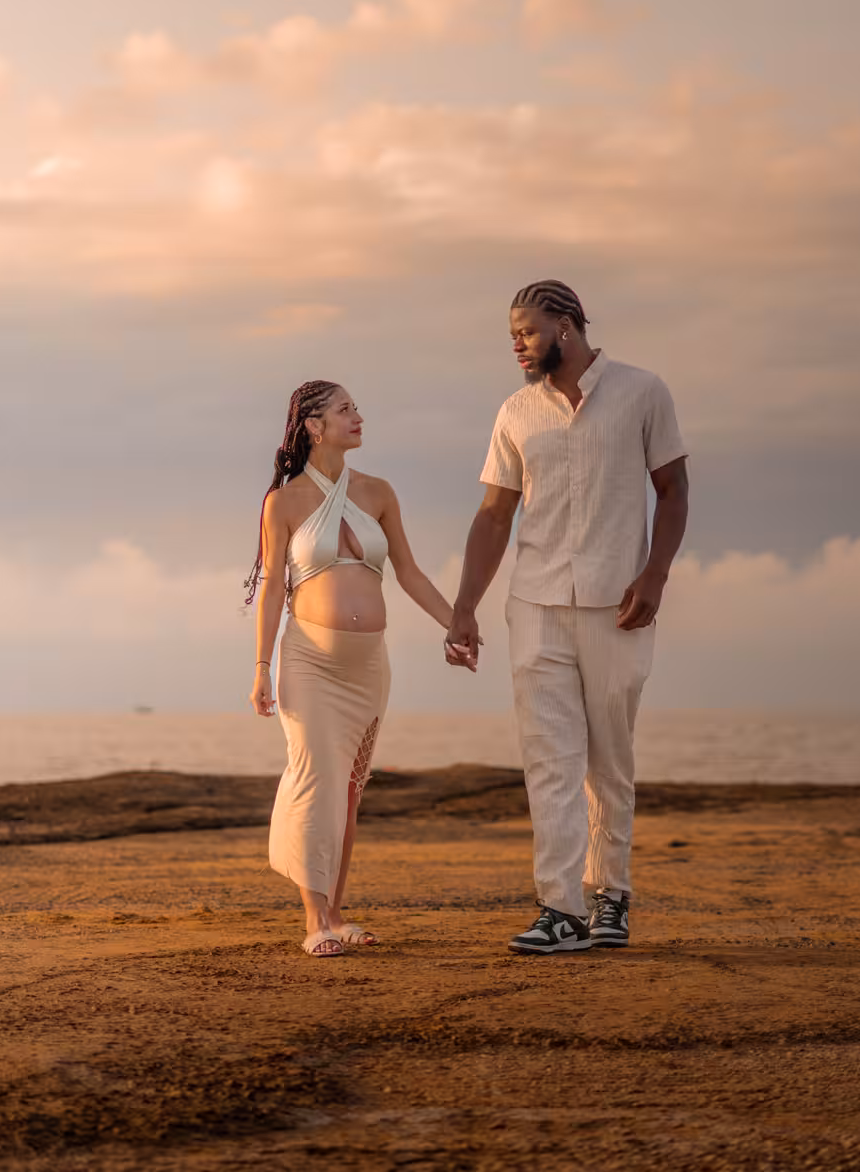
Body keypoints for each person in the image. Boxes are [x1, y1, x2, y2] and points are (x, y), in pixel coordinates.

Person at [445, 281, 689, 955]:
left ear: (568, 326)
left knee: (609, 759)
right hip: (536, 604)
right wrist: (464, 607)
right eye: (513, 336)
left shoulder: (643, 392)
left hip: (620, 606)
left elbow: (673, 490)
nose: (518, 344)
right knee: (550, 761)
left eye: (527, 331)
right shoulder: (516, 412)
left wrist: (656, 574)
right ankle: (560, 908)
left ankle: (612, 892)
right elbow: (495, 516)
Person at [245, 380, 460, 957]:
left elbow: (409, 572)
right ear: (314, 425)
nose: (359, 417)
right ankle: (314, 921)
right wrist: (261, 666)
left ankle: (337, 913)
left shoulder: (378, 492)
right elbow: (272, 589)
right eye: (346, 410)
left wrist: (455, 621)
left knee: (348, 791)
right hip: (309, 661)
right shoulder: (284, 501)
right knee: (317, 783)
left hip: (369, 666)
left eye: (356, 408)